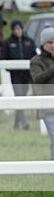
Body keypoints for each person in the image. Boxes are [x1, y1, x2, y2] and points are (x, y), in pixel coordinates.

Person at [0, 19, 36, 130]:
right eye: (15, 29)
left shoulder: (29, 41)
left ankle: (16, 124)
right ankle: (24, 123)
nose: (17, 31)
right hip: (16, 75)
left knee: (22, 97)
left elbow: (34, 56)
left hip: (27, 74)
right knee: (19, 95)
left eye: (19, 28)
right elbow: (3, 58)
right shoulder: (8, 43)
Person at [30, 27, 54, 160]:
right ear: (43, 44)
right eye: (49, 42)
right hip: (47, 108)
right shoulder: (36, 61)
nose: (53, 45)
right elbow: (38, 79)